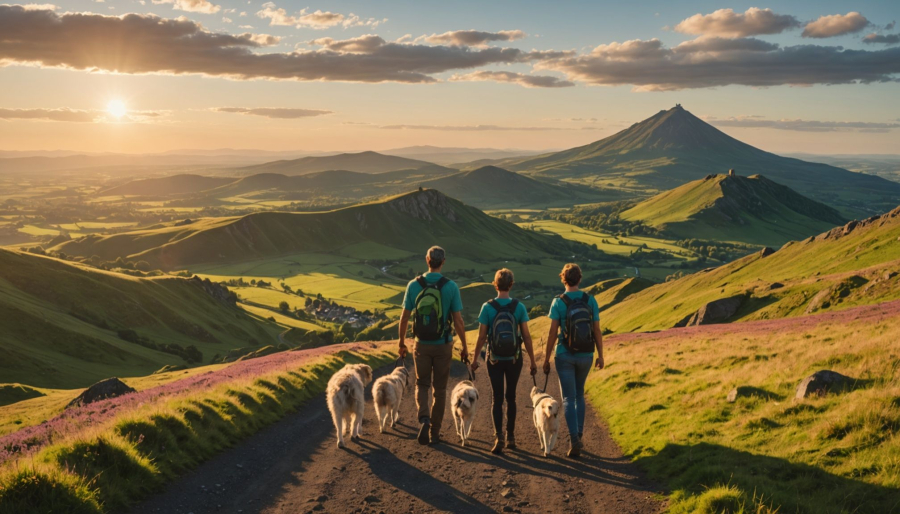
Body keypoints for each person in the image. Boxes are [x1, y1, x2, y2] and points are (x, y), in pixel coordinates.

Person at [398, 246, 469, 446]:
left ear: (426, 260)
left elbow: (404, 319)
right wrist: (464, 347)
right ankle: (435, 432)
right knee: (440, 389)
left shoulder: (413, 285)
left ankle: (424, 419)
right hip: (443, 345)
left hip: (421, 344)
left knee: (422, 384)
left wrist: (401, 343)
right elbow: (458, 321)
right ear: (443, 261)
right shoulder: (451, 287)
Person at [471, 269, 537, 454]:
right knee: (512, 397)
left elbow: (482, 337)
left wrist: (475, 359)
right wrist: (532, 361)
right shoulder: (519, 307)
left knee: (497, 398)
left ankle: (498, 436)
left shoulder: (487, 307)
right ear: (511, 284)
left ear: (495, 284)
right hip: (515, 358)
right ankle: (511, 437)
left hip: (494, 360)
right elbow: (526, 336)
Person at [543, 263, 604, 458]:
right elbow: (596, 330)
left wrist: (546, 357)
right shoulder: (590, 300)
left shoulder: (558, 302)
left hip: (565, 355)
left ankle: (573, 438)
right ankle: (578, 433)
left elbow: (553, 332)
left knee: (568, 398)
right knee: (580, 395)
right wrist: (601, 355)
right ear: (579, 279)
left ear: (563, 278)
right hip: (586, 355)